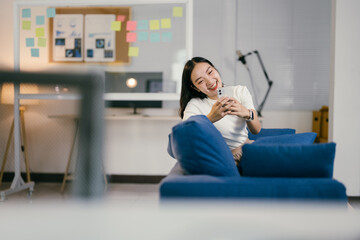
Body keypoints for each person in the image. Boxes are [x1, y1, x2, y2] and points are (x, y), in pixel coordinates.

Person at [179, 57, 261, 164]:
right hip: (220, 159)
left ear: (215, 69)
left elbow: (256, 130)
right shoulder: (195, 105)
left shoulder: (240, 91)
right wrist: (210, 118)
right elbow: (185, 136)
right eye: (200, 81)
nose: (209, 81)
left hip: (246, 150)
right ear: (195, 88)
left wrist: (246, 112)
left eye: (210, 72)